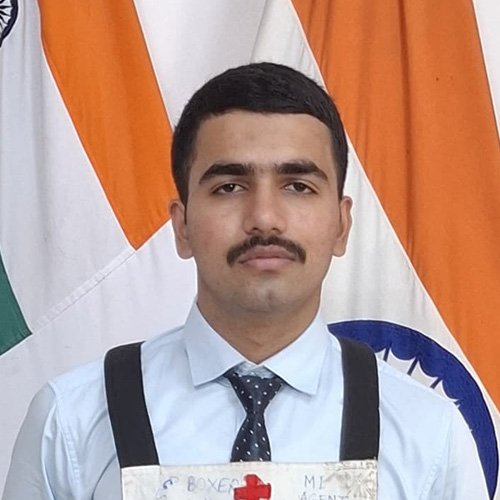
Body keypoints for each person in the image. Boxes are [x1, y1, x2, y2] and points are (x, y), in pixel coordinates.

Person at [3, 63, 488, 499]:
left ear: (341, 225)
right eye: (229, 186)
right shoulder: (70, 422)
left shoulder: (429, 434)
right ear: (182, 226)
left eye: (298, 186)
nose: (264, 218)